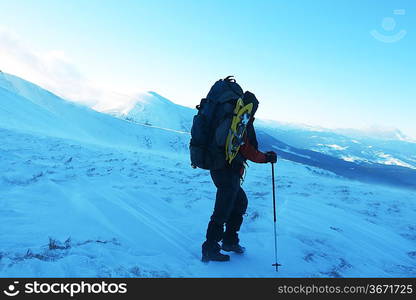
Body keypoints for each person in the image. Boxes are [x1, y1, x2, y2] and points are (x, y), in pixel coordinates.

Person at [201, 92, 277, 262]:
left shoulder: (232, 118)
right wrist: (267, 158)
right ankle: (210, 247)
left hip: (220, 168)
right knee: (222, 210)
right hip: (227, 170)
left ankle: (229, 240)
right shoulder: (241, 121)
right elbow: (248, 150)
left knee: (240, 202)